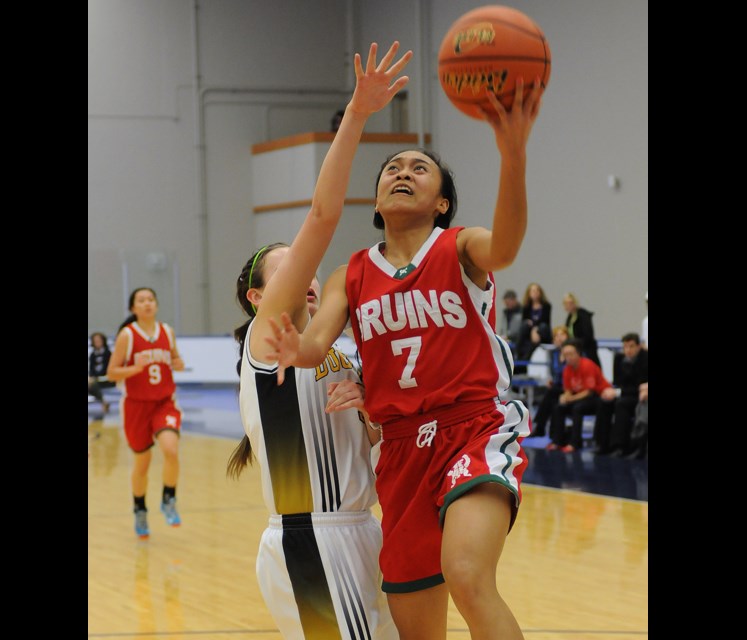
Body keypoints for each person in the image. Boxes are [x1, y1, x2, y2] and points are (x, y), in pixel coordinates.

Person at [265, 71, 544, 640]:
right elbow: (316, 344)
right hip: (399, 451)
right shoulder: (353, 273)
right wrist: (295, 348)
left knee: (466, 575)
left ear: (441, 201)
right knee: (415, 626)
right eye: (392, 168)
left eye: (419, 168)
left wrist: (512, 156)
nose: (401, 172)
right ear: (377, 197)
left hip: (473, 431)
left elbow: (508, 247)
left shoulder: (460, 246)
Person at [227, 41, 410, 640]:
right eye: (286, 271)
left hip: (364, 530)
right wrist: (357, 115)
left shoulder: (336, 354)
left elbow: (375, 454)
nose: (304, 277)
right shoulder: (267, 338)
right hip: (312, 536)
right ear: (259, 299)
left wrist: (375, 413)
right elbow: (324, 216)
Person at [106, 287, 186, 539]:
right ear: (133, 308)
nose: (147, 303)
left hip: (164, 403)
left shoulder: (167, 331)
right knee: (142, 463)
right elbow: (111, 373)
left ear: (156, 304)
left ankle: (168, 499)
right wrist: (134, 369)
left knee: (171, 450)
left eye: (151, 299)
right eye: (141, 300)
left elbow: (175, 360)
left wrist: (178, 363)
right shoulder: (127, 336)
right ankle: (140, 509)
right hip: (136, 406)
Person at [546, 338, 611, 453]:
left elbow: (588, 392)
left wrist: (571, 398)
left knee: (578, 408)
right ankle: (557, 441)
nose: (568, 357)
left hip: (597, 397)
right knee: (559, 407)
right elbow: (568, 390)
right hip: (579, 397)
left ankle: (575, 443)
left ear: (578, 354)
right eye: (565, 355)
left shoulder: (587, 365)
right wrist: (565, 397)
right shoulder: (567, 369)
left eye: (571, 354)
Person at [592, 333, 649, 456]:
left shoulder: (645, 359)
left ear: (639, 346)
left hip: (638, 395)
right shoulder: (618, 358)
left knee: (621, 404)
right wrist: (611, 392)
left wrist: (618, 392)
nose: (628, 350)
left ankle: (619, 446)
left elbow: (641, 385)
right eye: (625, 347)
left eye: (631, 346)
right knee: (604, 402)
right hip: (625, 392)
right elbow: (618, 382)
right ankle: (601, 443)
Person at [525, 324, 569, 438]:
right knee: (551, 396)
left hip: (569, 387)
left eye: (562, 335)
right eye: (556, 336)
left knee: (550, 394)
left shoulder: (572, 354)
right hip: (558, 387)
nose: (559, 338)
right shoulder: (553, 354)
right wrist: (551, 381)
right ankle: (550, 431)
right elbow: (555, 373)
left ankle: (540, 426)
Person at [562, 292, 600, 369]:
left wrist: (575, 345)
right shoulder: (570, 317)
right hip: (575, 348)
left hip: (585, 349)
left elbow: (588, 335)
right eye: (566, 303)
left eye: (571, 303)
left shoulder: (583, 315)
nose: (569, 305)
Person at [515, 282, 552, 360]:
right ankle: (517, 352)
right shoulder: (526, 306)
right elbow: (524, 320)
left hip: (542, 332)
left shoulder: (546, 305)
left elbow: (545, 321)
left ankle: (528, 355)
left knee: (542, 327)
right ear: (529, 293)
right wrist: (532, 328)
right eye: (532, 291)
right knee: (524, 325)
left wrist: (535, 328)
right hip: (529, 332)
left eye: (537, 290)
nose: (535, 293)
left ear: (540, 293)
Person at [88, 331, 114, 414]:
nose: (97, 342)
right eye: (95, 341)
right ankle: (103, 402)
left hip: (107, 378)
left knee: (92, 383)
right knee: (91, 383)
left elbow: (110, 369)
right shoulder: (93, 355)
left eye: (99, 340)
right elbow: (92, 370)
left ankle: (103, 402)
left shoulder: (108, 353)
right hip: (96, 380)